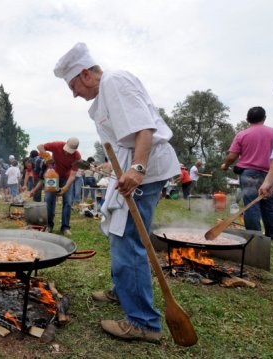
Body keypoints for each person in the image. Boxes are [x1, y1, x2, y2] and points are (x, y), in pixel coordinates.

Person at [54, 43, 179, 342]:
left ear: (86, 74)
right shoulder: (106, 90)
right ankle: (126, 291)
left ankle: (144, 322)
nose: (74, 94)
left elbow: (144, 129)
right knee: (121, 234)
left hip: (145, 171)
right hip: (133, 167)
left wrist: (137, 168)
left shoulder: (115, 81)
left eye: (73, 86)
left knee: (129, 239)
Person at [221, 107, 273, 238]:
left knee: (251, 204)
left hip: (249, 173)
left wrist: (225, 165)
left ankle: (254, 235)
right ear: (264, 118)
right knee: (269, 204)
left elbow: (232, 156)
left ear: (247, 119)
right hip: (271, 173)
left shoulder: (242, 134)